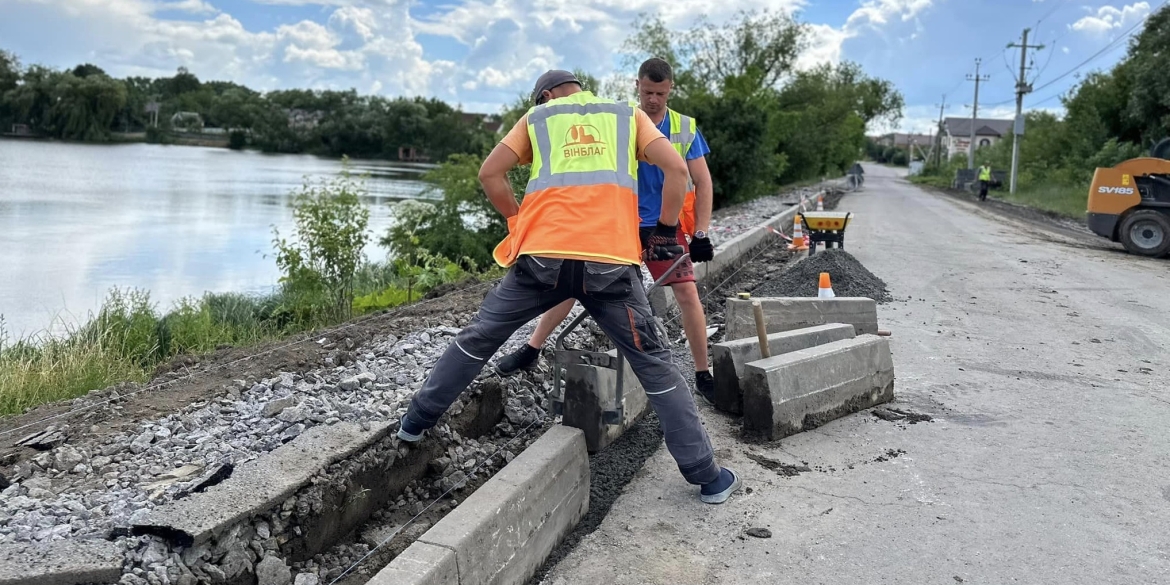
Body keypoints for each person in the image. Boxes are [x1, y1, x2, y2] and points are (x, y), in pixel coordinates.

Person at [395, 70, 741, 504]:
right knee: (655, 363)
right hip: (610, 265)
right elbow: (677, 171)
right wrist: (666, 231)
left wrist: (518, 220)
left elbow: (490, 174)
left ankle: (415, 422)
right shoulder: (626, 115)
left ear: (544, 96)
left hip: (542, 260)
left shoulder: (538, 119)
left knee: (479, 338)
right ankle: (707, 477)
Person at [493, 58, 719, 405]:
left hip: (664, 225)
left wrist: (701, 233)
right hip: (618, 223)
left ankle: (703, 374)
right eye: (647, 92)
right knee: (573, 282)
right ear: (637, 86)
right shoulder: (620, 118)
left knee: (687, 293)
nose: (653, 100)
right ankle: (532, 347)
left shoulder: (684, 128)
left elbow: (702, 181)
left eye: (660, 93)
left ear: (670, 89)